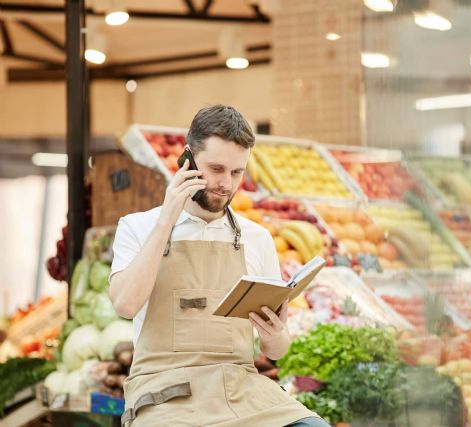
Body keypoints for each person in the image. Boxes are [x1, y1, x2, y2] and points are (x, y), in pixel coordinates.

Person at [109, 105, 330, 427]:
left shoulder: (257, 238)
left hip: (243, 391)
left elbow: (278, 352)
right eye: (216, 168)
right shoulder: (138, 227)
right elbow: (125, 305)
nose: (226, 184)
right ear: (186, 159)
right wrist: (167, 219)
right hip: (165, 392)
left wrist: (275, 334)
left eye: (237, 172)